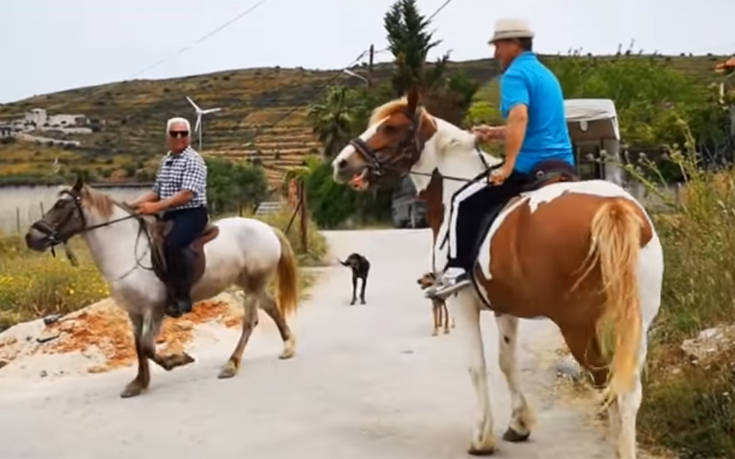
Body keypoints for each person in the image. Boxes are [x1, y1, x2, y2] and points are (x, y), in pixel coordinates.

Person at [427, 18, 575, 299]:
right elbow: (534, 124)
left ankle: (457, 270)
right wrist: (495, 132)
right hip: (562, 162)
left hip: (530, 165)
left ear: (513, 44)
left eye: (498, 46)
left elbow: (520, 116)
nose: (495, 53)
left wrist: (508, 166)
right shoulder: (546, 74)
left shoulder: (515, 75)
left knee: (462, 201)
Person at [131, 117, 208, 317]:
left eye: (184, 133)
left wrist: (154, 207)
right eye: (175, 133)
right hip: (171, 212)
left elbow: (186, 194)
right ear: (168, 136)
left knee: (172, 244)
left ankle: (182, 297)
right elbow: (157, 190)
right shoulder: (166, 160)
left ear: (189, 136)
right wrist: (134, 204)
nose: (179, 137)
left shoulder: (193, 160)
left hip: (192, 213)